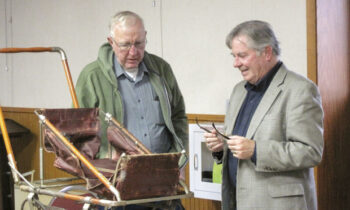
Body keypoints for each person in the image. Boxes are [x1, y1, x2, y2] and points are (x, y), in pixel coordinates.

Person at [204, 20, 324, 210]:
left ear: (267, 52)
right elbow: (238, 146)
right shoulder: (238, 91)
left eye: (242, 55)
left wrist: (256, 151)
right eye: (234, 56)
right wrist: (221, 146)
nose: (236, 64)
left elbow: (310, 152)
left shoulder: (301, 90)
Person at [75, 11, 187, 210]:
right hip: (117, 183)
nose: (134, 52)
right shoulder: (92, 76)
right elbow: (80, 134)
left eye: (139, 44)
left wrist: (179, 159)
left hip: (162, 179)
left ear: (146, 38)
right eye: (126, 45)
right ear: (111, 42)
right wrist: (105, 159)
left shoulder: (161, 70)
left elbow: (178, 116)